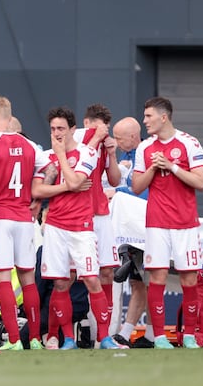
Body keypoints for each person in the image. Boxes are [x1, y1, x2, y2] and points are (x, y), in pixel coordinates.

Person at [31, 106, 126, 350]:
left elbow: (75, 180)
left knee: (92, 280)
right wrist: (63, 185)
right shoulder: (47, 156)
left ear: (74, 129)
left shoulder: (87, 153)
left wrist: (62, 156)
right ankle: (68, 339)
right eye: (53, 129)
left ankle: (104, 338)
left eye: (61, 128)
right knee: (61, 283)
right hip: (55, 226)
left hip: (82, 226)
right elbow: (38, 190)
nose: (57, 133)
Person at [131, 96, 203, 350]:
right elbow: (137, 186)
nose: (145, 121)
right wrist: (154, 169)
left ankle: (189, 336)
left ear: (163, 117)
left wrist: (172, 166)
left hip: (185, 222)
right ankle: (160, 337)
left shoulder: (189, 143)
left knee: (189, 278)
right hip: (157, 222)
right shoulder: (145, 148)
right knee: (157, 277)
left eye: (149, 116)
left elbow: (201, 182)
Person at [0, 95, 46, 350]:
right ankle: (36, 339)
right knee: (28, 279)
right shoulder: (30, 146)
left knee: (3, 279)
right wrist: (36, 197)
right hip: (24, 218)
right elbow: (49, 168)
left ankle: (15, 340)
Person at [74, 104, 122, 330]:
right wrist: (96, 136)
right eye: (96, 127)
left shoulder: (105, 144)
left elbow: (114, 181)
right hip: (76, 214)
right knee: (70, 275)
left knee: (107, 272)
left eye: (104, 128)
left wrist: (112, 153)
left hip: (101, 214)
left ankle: (104, 334)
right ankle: (59, 334)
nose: (101, 132)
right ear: (86, 124)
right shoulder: (76, 137)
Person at [108, 116, 152, 348]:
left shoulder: (148, 154)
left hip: (147, 228)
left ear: (134, 137)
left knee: (153, 281)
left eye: (119, 138)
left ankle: (154, 336)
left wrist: (119, 193)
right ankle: (126, 333)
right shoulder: (125, 156)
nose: (115, 142)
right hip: (131, 230)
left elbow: (143, 192)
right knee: (138, 284)